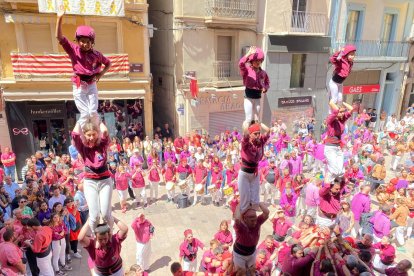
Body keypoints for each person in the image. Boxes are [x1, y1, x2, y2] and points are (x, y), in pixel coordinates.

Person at [55, 7, 111, 128]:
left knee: (93, 112)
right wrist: (59, 18)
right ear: (78, 40)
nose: (85, 44)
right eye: (82, 41)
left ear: (92, 42)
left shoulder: (97, 54)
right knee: (85, 113)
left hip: (91, 83)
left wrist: (100, 74)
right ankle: (77, 135)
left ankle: (98, 134)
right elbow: (59, 37)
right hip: (79, 83)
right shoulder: (73, 50)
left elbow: (108, 63)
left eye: (88, 42)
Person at [71, 120, 113, 232]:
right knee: (94, 216)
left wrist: (98, 120)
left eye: (94, 134)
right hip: (90, 182)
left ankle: (110, 234)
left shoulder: (102, 145)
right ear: (84, 135)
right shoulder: (82, 147)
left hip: (105, 181)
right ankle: (96, 237)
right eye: (88, 135)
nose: (91, 137)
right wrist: (81, 120)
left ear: (97, 134)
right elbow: (75, 134)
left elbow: (105, 131)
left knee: (105, 214)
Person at [238, 121, 270, 214]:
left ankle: (254, 209)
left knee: (255, 194)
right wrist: (246, 126)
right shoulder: (246, 144)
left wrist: (261, 124)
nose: (258, 135)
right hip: (245, 173)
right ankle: (243, 212)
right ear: (250, 134)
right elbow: (245, 135)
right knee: (245, 195)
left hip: (255, 172)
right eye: (255, 134)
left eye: (258, 133)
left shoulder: (260, 142)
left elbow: (268, 131)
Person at [233, 202, 269, 275]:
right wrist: (241, 203)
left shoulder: (257, 222)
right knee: (241, 272)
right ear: (245, 219)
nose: (255, 222)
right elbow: (236, 217)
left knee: (252, 270)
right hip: (240, 254)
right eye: (252, 220)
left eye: (255, 219)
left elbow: (266, 212)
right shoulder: (240, 226)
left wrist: (256, 202)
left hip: (251, 252)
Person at [324, 100, 353, 183]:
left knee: (340, 171)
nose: (342, 113)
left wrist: (343, 103)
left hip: (338, 147)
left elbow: (351, 109)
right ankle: (328, 183)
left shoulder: (342, 120)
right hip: (330, 147)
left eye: (343, 112)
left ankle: (336, 184)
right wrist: (332, 102)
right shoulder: (330, 120)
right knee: (334, 170)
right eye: (340, 112)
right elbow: (335, 109)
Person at [239, 46, 270, 123]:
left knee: (257, 120)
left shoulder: (263, 73)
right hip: (248, 97)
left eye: (259, 60)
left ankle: (256, 134)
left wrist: (265, 88)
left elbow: (267, 82)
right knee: (248, 119)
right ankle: (246, 134)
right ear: (252, 61)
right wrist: (248, 54)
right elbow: (241, 64)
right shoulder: (246, 71)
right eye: (256, 60)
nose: (258, 62)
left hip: (257, 98)